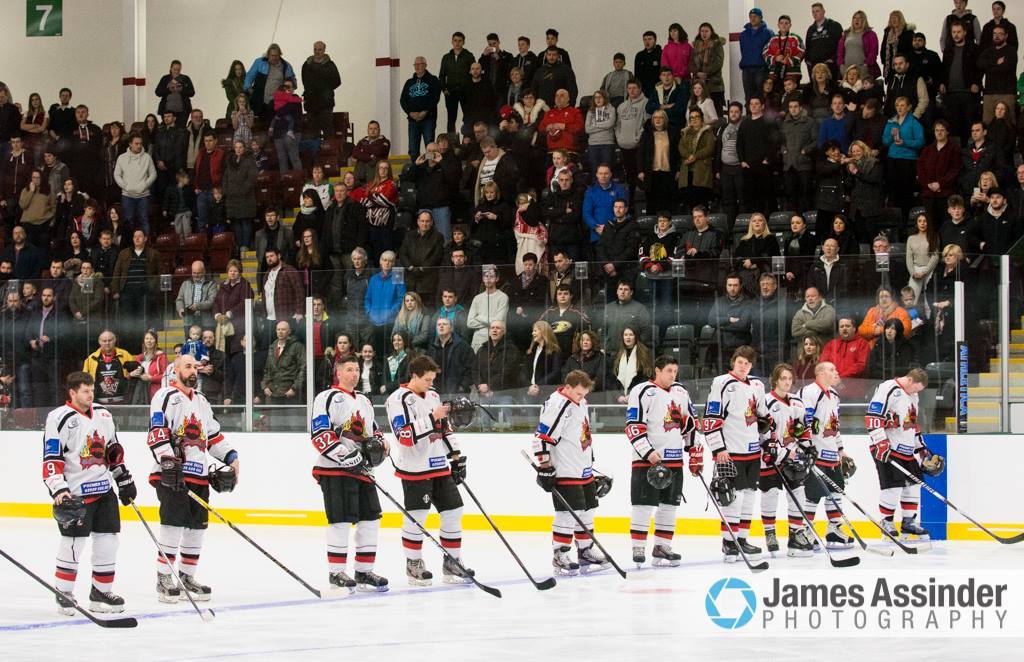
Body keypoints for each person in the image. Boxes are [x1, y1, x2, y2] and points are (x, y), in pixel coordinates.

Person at [148, 354, 239, 602]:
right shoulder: (165, 396)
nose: (193, 371)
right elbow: (157, 432)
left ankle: (187, 576)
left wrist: (231, 457)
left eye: (195, 367)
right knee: (173, 525)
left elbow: (214, 436)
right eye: (188, 366)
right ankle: (164, 578)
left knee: (197, 528)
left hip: (199, 475)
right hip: (172, 475)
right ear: (175, 370)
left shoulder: (202, 401)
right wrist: (167, 460)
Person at [45, 372, 135, 615]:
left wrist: (123, 479)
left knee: (108, 541)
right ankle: (64, 592)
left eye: (92, 390)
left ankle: (101, 592)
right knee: (74, 542)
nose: (90, 394)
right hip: (75, 494)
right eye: (85, 391)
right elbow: (52, 458)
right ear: (72, 393)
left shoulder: (104, 415)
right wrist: (59, 489)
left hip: (104, 490)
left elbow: (114, 451)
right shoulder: (58, 418)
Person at [384, 355, 474, 584]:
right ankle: (413, 563)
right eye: (426, 379)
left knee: (454, 511)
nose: (430, 384)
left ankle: (452, 562)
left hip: (439, 465)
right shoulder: (398, 400)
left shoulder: (433, 395)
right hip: (415, 468)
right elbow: (404, 436)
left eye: (433, 379)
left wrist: (455, 456)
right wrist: (432, 418)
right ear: (414, 376)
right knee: (417, 517)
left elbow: (445, 428)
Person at [309, 354, 390, 592]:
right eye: (350, 369)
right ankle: (336, 573)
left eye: (357, 370)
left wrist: (382, 444)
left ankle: (364, 572)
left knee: (370, 520)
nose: (354, 374)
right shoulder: (327, 397)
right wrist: (345, 455)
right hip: (334, 470)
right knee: (340, 521)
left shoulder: (364, 401)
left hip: (363, 470)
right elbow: (319, 433)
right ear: (339, 372)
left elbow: (373, 431)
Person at [533, 369, 610, 575]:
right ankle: (560, 554)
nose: (581, 398)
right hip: (565, 469)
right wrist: (545, 466)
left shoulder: (580, 402)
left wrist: (591, 464)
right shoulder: (558, 405)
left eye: (584, 394)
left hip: (583, 469)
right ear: (567, 387)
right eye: (578, 393)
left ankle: (585, 550)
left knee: (588, 510)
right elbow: (542, 437)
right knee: (567, 514)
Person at [625, 354, 697, 567]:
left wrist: (694, 451)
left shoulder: (681, 392)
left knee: (669, 506)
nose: (673, 375)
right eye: (669, 371)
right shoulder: (642, 391)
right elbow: (633, 426)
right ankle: (638, 547)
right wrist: (648, 452)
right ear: (657, 370)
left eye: (675, 371)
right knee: (643, 505)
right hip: (648, 461)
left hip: (674, 460)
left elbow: (690, 423)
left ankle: (662, 547)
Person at [702, 345, 768, 561]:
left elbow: (763, 416)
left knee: (748, 496)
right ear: (733, 362)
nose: (743, 366)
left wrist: (767, 434)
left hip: (752, 451)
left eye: (747, 363)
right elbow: (711, 419)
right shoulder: (722, 382)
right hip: (731, 451)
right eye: (740, 362)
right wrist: (718, 449)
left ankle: (742, 540)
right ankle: (729, 543)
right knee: (732, 497)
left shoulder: (757, 384)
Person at [864, 368, 934, 538]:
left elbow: (912, 424)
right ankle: (887, 522)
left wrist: (921, 448)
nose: (917, 393)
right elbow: (873, 416)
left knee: (913, 484)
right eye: (916, 388)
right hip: (889, 448)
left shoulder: (913, 396)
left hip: (907, 449)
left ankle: (908, 522)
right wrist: (881, 443)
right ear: (910, 380)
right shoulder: (889, 388)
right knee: (893, 487)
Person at [759, 364, 815, 557]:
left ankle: (795, 534)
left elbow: (802, 429)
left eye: (789, 379)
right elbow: (762, 431)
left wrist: (807, 447)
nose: (786, 382)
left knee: (798, 493)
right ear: (775, 380)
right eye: (783, 378)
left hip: (792, 456)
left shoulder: (797, 402)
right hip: (770, 458)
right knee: (770, 494)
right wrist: (777, 451)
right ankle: (770, 533)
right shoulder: (765, 402)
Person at [798, 361, 854, 548]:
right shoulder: (810, 392)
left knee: (836, 492)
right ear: (820, 373)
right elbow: (803, 422)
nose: (836, 372)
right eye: (832, 369)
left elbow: (834, 426)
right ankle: (807, 531)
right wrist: (807, 448)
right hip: (815, 453)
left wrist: (841, 450)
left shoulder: (835, 395)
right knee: (812, 495)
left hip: (831, 454)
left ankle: (833, 530)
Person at [882, 97, 926, 219]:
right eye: (897, 105)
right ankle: (896, 220)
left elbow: (920, 142)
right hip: (892, 159)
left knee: (906, 191)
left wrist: (905, 142)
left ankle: (907, 219)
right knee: (894, 190)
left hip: (908, 160)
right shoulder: (891, 122)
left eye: (902, 105)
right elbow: (885, 141)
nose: (899, 108)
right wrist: (891, 136)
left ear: (908, 107)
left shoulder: (914, 122)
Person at [940, 21, 982, 143]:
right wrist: (942, 82)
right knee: (953, 126)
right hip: (951, 93)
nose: (956, 35)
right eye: (953, 32)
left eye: (958, 32)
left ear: (964, 32)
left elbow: (979, 68)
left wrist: (977, 83)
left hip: (968, 92)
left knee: (968, 125)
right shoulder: (948, 49)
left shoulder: (973, 48)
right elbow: (944, 68)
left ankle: (968, 154)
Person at [737, 96, 779, 214]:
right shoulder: (744, 123)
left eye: (756, 104)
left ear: (762, 106)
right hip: (748, 167)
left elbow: (775, 143)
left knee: (767, 198)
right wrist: (742, 161)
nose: (754, 106)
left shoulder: (768, 122)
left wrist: (767, 159)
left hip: (764, 166)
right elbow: (739, 144)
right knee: (750, 199)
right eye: (751, 104)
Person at [916, 120, 961, 225]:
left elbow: (955, 170)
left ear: (947, 132)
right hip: (928, 194)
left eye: (942, 130)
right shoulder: (927, 150)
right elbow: (920, 168)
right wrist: (928, 183)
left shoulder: (954, 149)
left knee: (945, 224)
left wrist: (940, 183)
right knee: (930, 225)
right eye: (937, 130)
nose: (939, 133)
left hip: (945, 194)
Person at [637, 110, 679, 214]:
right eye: (655, 117)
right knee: (651, 203)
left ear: (665, 119)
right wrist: (641, 170)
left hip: (668, 173)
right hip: (651, 173)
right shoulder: (647, 133)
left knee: (667, 202)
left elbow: (677, 153)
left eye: (660, 117)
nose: (658, 120)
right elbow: (640, 153)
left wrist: (678, 169)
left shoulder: (673, 132)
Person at [400, 57, 442, 159]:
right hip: (413, 120)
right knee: (413, 149)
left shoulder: (433, 80)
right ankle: (416, 170)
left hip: (428, 119)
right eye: (416, 64)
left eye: (420, 64)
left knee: (429, 146)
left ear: (425, 65)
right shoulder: (409, 82)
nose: (418, 66)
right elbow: (402, 100)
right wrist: (410, 113)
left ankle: (429, 168)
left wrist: (425, 112)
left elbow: (435, 98)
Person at [81, 329, 135, 406]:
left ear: (115, 340)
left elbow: (138, 371)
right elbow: (84, 381)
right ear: (99, 342)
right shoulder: (91, 359)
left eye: (110, 340)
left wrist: (133, 374)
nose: (107, 343)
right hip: (99, 403)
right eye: (104, 341)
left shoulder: (125, 355)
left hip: (122, 402)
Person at [977, 25, 1018, 123]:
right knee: (987, 123)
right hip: (989, 93)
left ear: (1006, 36)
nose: (997, 36)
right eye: (994, 34)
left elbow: (1005, 68)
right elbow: (979, 63)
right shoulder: (988, 51)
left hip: (1007, 93)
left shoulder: (1011, 51)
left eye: (1000, 34)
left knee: (1008, 123)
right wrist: (995, 62)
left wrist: (989, 67)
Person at [261, 320, 305, 405]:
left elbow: (304, 368)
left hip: (289, 393)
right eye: (278, 329)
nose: (280, 332)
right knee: (273, 418)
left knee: (291, 418)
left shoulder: (297, 346)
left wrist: (294, 388)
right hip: (272, 393)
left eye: (283, 329)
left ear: (289, 331)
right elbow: (267, 369)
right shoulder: (272, 347)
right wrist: (265, 386)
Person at [438, 32, 475, 134]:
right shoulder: (446, 57)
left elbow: (474, 72)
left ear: (463, 42)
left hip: (465, 92)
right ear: (452, 42)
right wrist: (444, 89)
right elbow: (441, 75)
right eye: (455, 40)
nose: (457, 43)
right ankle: (451, 143)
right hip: (451, 93)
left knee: (468, 117)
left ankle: (468, 140)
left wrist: (471, 89)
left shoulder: (469, 56)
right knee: (451, 119)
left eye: (460, 41)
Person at [427, 317, 473, 397]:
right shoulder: (432, 349)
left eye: (444, 324)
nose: (441, 326)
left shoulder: (463, 346)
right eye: (439, 325)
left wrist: (462, 386)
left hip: (457, 394)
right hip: (436, 394)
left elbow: (472, 368)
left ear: (451, 328)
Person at [820, 316, 871, 381]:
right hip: (833, 384)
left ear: (854, 328)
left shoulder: (862, 343)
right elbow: (823, 363)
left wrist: (841, 377)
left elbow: (861, 365)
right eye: (842, 326)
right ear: (838, 329)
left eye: (847, 326)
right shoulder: (831, 344)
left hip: (855, 385)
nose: (844, 328)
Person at [740, 8, 774, 101]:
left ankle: (760, 115)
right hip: (746, 68)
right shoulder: (743, 34)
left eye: (755, 16)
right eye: (750, 16)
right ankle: (748, 114)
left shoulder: (768, 33)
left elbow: (772, 50)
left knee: (760, 94)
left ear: (761, 18)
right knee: (748, 96)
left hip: (761, 68)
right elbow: (742, 50)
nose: (753, 18)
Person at [906, 213, 941, 303]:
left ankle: (930, 317)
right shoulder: (911, 238)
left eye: (925, 221)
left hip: (930, 270)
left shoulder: (934, 237)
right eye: (920, 221)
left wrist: (925, 272)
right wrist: (913, 273)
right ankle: (911, 317)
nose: (922, 223)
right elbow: (909, 258)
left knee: (929, 300)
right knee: (911, 298)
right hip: (916, 270)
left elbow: (935, 256)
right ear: (916, 223)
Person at [804, 3, 844, 80]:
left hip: (830, 65)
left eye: (817, 11)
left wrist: (833, 59)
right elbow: (808, 47)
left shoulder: (834, 25)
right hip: (814, 67)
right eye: (813, 12)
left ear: (823, 11)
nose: (815, 14)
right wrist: (808, 61)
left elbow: (841, 45)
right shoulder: (811, 29)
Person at [175, 261, 216, 331]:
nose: (196, 275)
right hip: (189, 320)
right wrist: (180, 309)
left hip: (206, 321)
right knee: (189, 341)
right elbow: (179, 299)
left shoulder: (211, 284)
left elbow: (211, 301)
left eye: (198, 273)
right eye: (194, 273)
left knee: (206, 342)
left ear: (204, 271)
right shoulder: (185, 283)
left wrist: (198, 306)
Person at [765, 15, 805, 84]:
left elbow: (802, 52)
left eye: (786, 23)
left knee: (792, 94)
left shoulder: (795, 38)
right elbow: (765, 53)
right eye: (781, 23)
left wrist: (788, 61)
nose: (784, 25)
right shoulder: (772, 39)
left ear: (790, 25)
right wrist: (775, 58)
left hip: (792, 74)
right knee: (776, 94)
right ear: (778, 25)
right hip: (775, 73)